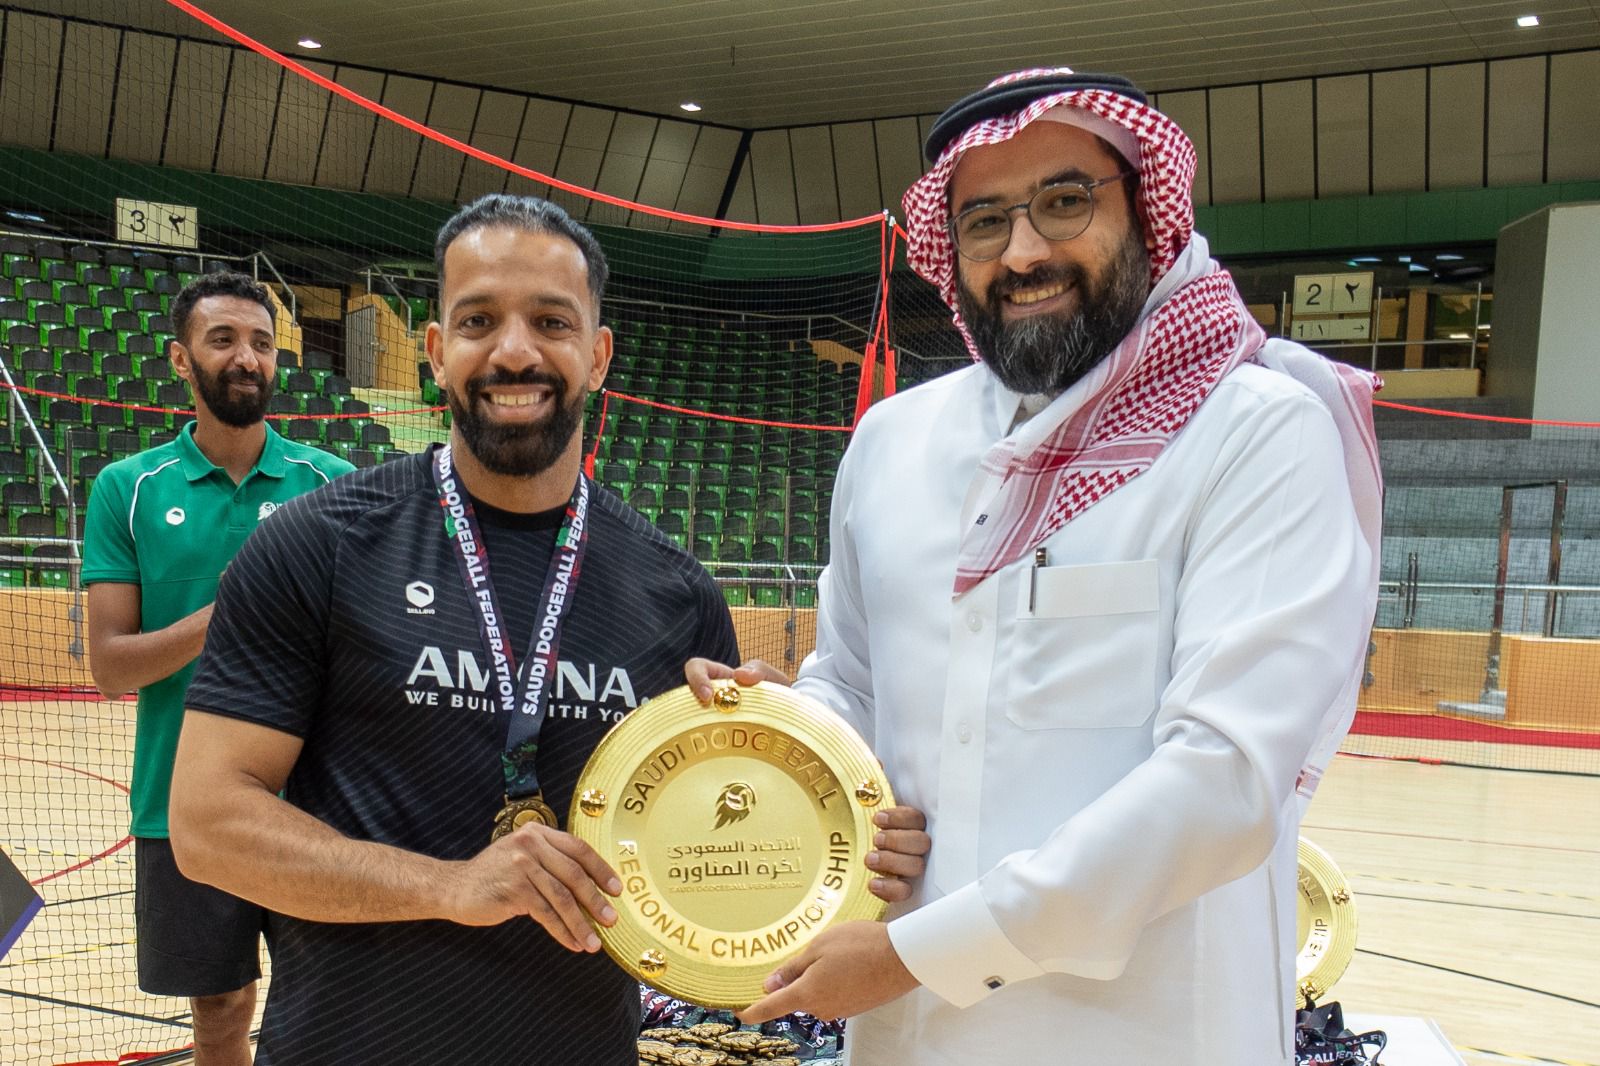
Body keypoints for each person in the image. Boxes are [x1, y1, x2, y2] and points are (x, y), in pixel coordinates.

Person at [689, 69, 1383, 1063]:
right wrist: (777, 737)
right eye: (984, 222)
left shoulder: (1256, 432)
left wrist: (923, 953)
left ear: (1146, 211)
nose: (1022, 253)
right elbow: (852, 687)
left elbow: (1225, 780)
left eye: (1064, 202)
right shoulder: (893, 441)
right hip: (907, 1035)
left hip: (1151, 1034)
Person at [165, 194, 924, 1065]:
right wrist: (450, 887)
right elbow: (209, 824)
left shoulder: (676, 592)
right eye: (478, 320)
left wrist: (822, 796)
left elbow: (724, 888)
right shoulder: (318, 545)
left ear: (598, 355)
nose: (515, 351)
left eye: (552, 322)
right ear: (436, 351)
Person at [82, 271, 353, 1066]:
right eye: (223, 339)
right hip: (183, 800)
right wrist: (228, 609)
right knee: (221, 1012)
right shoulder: (128, 489)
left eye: (262, 343)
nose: (246, 358)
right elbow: (110, 666)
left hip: (318, 800)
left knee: (337, 1012)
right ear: (181, 358)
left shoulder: (333, 485)